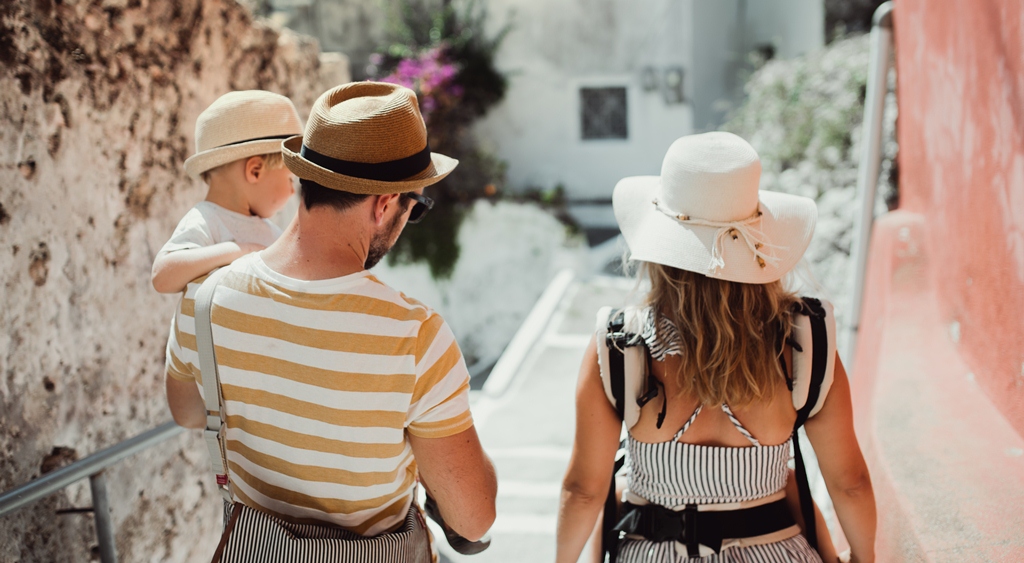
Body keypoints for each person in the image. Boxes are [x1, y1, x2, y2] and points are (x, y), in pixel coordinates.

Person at [163, 82, 496, 558]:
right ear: (384, 205)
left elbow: (188, 412)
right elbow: (473, 517)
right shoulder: (415, 335)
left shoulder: (204, 298)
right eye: (413, 208)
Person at [556, 132, 876, 563]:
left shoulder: (620, 345)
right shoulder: (806, 342)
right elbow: (850, 482)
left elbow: (583, 492)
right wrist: (863, 557)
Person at [151, 90, 303, 294]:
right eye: (290, 179)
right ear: (255, 171)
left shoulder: (272, 233)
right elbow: (162, 277)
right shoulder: (207, 221)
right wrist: (238, 250)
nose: (293, 191)